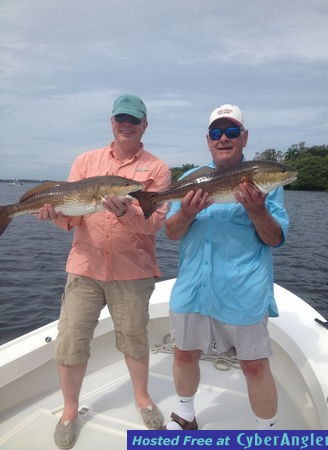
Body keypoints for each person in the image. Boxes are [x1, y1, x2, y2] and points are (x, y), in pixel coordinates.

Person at [38, 94, 171, 448]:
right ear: (112, 122)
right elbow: (72, 214)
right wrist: (56, 214)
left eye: (134, 119)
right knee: (71, 340)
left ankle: (142, 398)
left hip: (133, 271)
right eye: (120, 118)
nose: (126, 124)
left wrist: (124, 212)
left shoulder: (157, 170)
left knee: (135, 338)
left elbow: (154, 224)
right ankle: (69, 410)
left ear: (145, 124)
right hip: (85, 267)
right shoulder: (86, 162)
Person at [163, 104, 289, 430]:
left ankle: (266, 433)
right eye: (217, 132)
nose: (224, 138)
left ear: (244, 138)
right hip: (194, 287)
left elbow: (274, 238)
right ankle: (185, 416)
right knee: (183, 354)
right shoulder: (191, 179)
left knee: (255, 366)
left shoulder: (265, 184)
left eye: (232, 131)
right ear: (208, 140)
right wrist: (187, 213)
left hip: (243, 290)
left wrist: (258, 210)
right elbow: (172, 232)